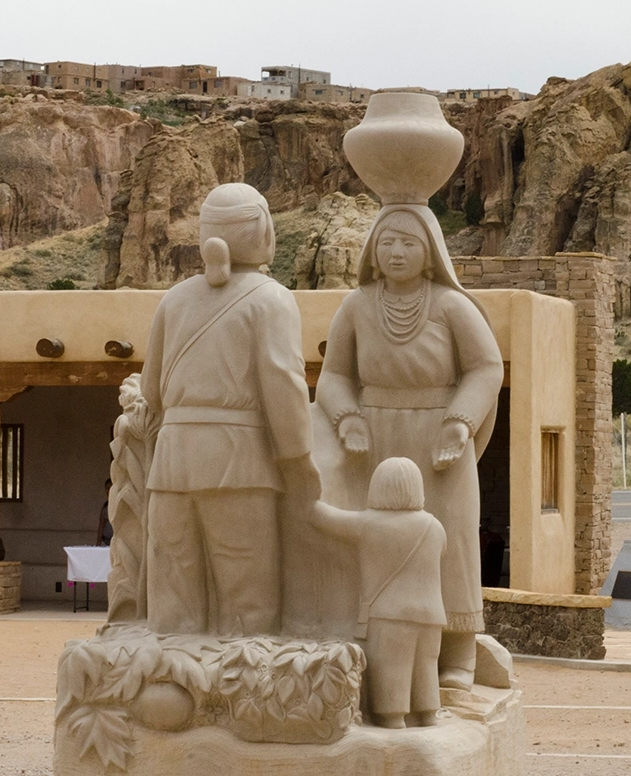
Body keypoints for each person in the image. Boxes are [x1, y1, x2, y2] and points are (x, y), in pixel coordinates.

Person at [315, 204, 503, 690]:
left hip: (440, 439)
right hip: (372, 439)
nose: (396, 252)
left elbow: (486, 368)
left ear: (430, 252)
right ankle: (369, 644)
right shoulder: (356, 305)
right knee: (374, 541)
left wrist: (460, 422)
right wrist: (347, 417)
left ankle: (458, 655)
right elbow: (334, 376)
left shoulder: (450, 305)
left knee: (451, 543)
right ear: (372, 252)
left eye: (408, 243)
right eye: (387, 243)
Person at [141, 182, 320, 637]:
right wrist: (299, 459)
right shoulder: (271, 298)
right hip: (240, 462)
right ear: (262, 230)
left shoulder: (174, 298)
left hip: (172, 461)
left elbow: (151, 390)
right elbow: (283, 386)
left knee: (173, 599)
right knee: (247, 600)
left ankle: (170, 678)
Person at [309, 457, 446, 729]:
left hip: (389, 614)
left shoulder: (368, 524)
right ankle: (428, 714)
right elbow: (441, 553)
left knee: (393, 668)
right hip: (432, 615)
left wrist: (303, 489)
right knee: (426, 667)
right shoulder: (435, 527)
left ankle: (393, 718)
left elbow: (321, 517)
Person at [96, 478, 113, 547]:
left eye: (109, 488)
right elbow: (101, 526)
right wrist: (98, 544)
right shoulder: (105, 506)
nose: (108, 491)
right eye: (106, 488)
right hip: (106, 542)